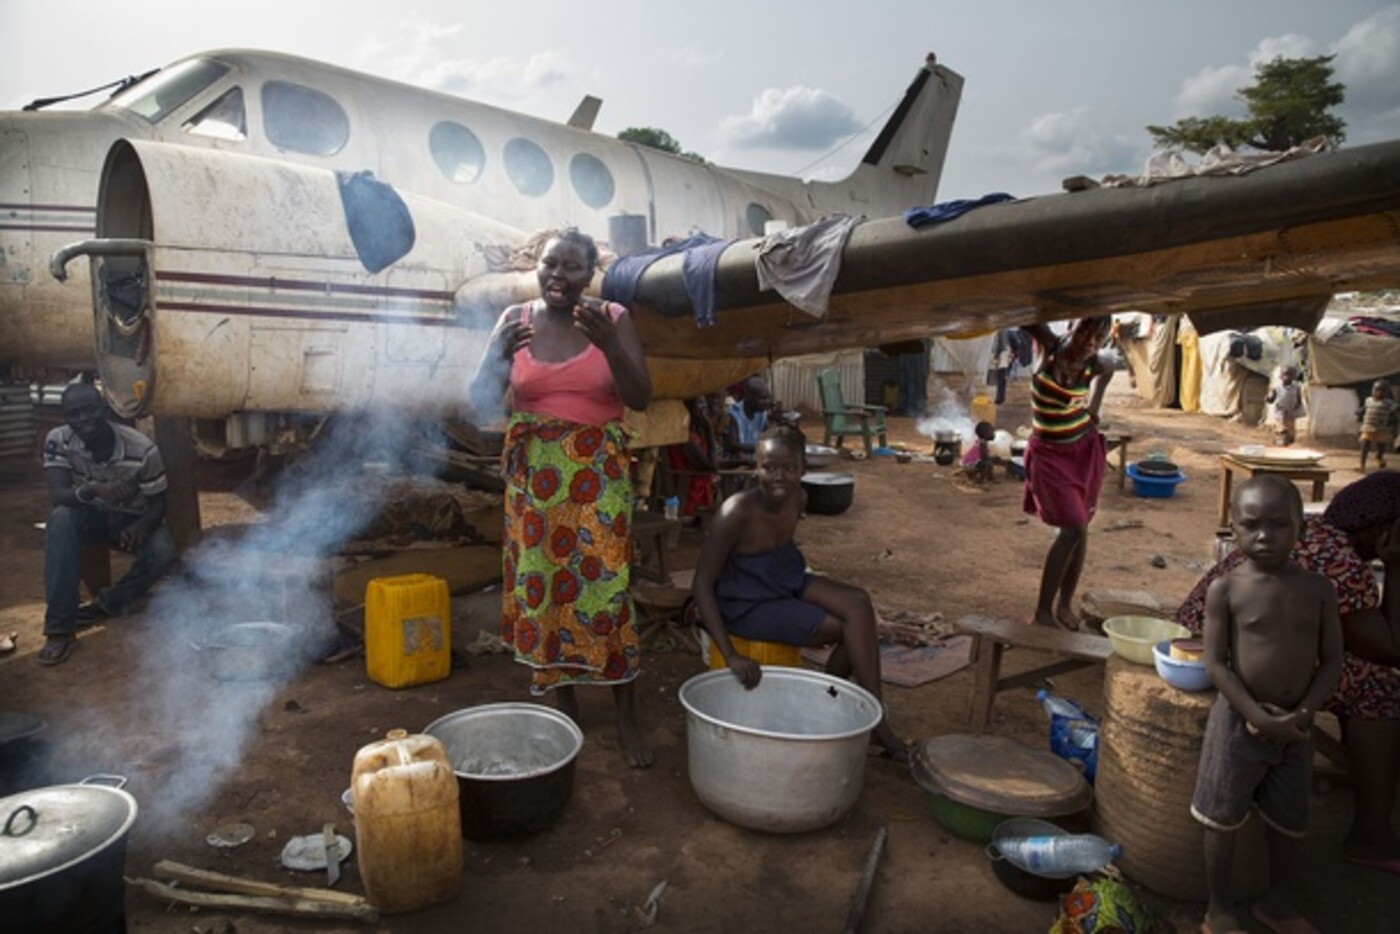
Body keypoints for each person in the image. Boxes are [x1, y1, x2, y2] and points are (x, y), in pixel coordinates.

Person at [469, 227, 655, 768]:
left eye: (572, 267)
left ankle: (625, 716)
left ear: (590, 273)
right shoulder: (514, 322)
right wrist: (495, 361)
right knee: (544, 590)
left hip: (597, 477)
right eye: (551, 265)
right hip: (534, 484)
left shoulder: (613, 318)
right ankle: (565, 707)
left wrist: (610, 346)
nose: (558, 276)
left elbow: (640, 396)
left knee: (605, 589)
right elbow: (477, 402)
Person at [1177, 469, 1400, 876]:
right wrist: (1397, 568)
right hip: (1225, 652)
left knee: (1360, 670)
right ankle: (1371, 834)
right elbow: (1389, 649)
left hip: (1219, 635)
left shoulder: (1319, 538)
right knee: (1379, 686)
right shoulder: (1337, 558)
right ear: (1386, 530)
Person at [690, 425, 909, 760]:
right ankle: (843, 706)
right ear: (756, 467)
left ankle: (865, 708)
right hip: (746, 603)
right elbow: (702, 584)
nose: (779, 477)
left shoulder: (799, 498)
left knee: (859, 605)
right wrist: (731, 654)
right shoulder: (737, 512)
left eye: (789, 469)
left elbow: (782, 550)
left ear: (804, 469)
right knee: (847, 630)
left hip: (783, 579)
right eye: (769, 468)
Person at [1192, 475, 1343, 934]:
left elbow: (1333, 661)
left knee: (1289, 819)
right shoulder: (1226, 589)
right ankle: (1219, 909)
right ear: (1232, 528)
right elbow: (1215, 663)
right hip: (1238, 723)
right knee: (1221, 816)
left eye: (1279, 524)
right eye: (1251, 524)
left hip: (1296, 726)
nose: (1264, 535)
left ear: (1302, 527)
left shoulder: (1319, 589)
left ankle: (1278, 903)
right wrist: (1255, 714)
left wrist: (1302, 714)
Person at [38, 382, 177, 666]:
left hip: (130, 518)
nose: (83, 420)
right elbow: (58, 496)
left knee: (163, 549)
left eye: (89, 410)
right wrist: (94, 490)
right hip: (89, 515)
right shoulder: (58, 439)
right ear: (65, 417)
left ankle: (108, 603)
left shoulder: (141, 449)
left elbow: (158, 503)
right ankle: (60, 629)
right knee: (60, 520)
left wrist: (142, 526)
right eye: (74, 414)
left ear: (104, 409)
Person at [1020, 317, 1114, 630]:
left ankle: (1063, 605)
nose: (1090, 342)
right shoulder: (1048, 348)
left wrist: (1094, 408)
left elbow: (1111, 367)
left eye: (1098, 338)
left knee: (1080, 528)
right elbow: (1025, 313)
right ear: (1072, 327)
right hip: (1049, 455)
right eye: (1086, 331)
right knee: (1072, 528)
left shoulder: (1096, 363)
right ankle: (1042, 612)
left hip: (1083, 451)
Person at [664, 396, 718, 519]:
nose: (704, 407)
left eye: (704, 403)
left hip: (696, 486)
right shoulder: (685, 438)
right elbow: (712, 466)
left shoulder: (693, 432)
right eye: (699, 403)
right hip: (690, 491)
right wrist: (709, 429)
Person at [722, 375, 774, 466]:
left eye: (768, 398)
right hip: (736, 465)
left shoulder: (762, 414)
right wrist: (761, 448)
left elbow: (768, 436)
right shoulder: (734, 413)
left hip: (753, 462)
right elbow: (734, 445)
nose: (767, 402)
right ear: (747, 397)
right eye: (762, 398)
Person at [1358, 379, 1397, 471]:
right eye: (1376, 390)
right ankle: (1362, 465)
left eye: (1382, 391)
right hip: (1368, 428)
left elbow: (1395, 409)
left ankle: (1379, 457)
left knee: (1381, 447)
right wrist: (1359, 411)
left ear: (1387, 392)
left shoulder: (1389, 403)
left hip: (1381, 430)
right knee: (1365, 444)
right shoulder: (1368, 400)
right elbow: (1364, 408)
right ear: (1372, 390)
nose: (1379, 393)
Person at [1266, 365, 1305, 447]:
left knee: (1291, 431)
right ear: (1280, 376)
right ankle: (1282, 441)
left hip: (1291, 412)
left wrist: (1298, 408)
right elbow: (1272, 399)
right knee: (1283, 429)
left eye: (1290, 375)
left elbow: (1298, 399)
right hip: (1280, 412)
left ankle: (1289, 441)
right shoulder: (1277, 388)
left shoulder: (1296, 388)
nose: (1287, 377)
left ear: (1293, 377)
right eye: (1285, 375)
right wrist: (1269, 399)